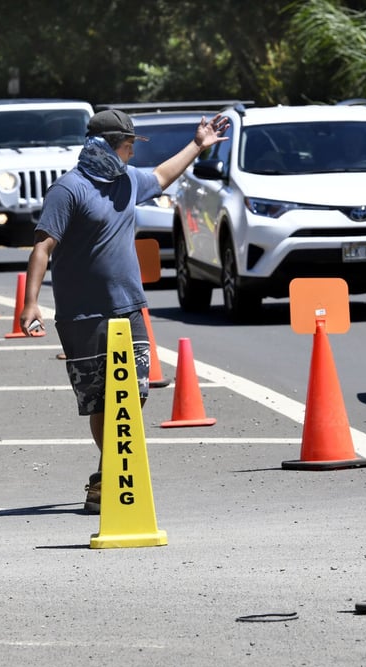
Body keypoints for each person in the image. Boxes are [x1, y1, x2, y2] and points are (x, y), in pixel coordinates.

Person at [19, 108, 229, 513]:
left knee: (136, 392)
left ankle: (108, 471)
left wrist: (197, 145)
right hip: (83, 316)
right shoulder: (69, 189)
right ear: (105, 146)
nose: (132, 154)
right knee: (100, 401)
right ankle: (108, 475)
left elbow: (163, 175)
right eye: (128, 146)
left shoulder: (127, 180)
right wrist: (30, 304)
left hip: (129, 308)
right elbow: (42, 247)